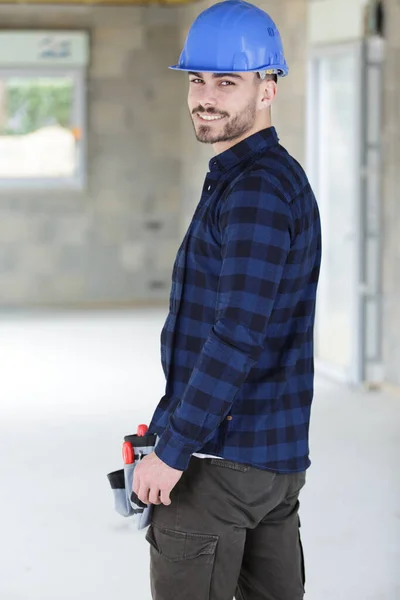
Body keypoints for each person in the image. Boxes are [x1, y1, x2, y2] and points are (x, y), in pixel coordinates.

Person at [133, 1, 322, 598]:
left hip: (220, 461)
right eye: (197, 79)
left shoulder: (255, 191)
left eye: (227, 82)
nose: (205, 96)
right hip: (271, 462)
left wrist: (175, 447)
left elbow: (237, 332)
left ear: (267, 89)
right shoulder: (266, 177)